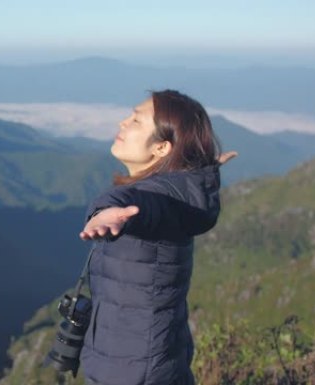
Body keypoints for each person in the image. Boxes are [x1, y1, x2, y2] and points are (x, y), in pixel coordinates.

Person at [78, 90, 236, 385]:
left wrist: (107, 211)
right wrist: (206, 169)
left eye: (136, 120)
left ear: (162, 148)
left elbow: (144, 203)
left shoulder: (154, 198)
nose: (123, 122)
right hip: (145, 358)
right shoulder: (180, 189)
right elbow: (173, 191)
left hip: (132, 370)